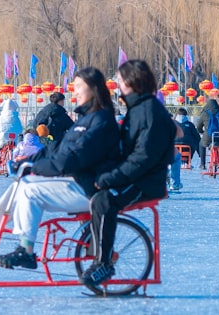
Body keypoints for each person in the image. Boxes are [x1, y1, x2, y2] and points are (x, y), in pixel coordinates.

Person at [0, 67, 121, 271]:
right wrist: (29, 160)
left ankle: (26, 250)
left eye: (79, 87)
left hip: (90, 188)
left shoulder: (100, 120)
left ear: (94, 89)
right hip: (79, 181)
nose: (75, 92)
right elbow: (57, 148)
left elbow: (72, 158)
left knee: (31, 190)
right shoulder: (86, 119)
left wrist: (37, 166)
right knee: (23, 182)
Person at [84, 59, 177, 289]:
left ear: (132, 82)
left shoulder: (149, 110)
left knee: (105, 200)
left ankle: (103, 263)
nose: (117, 83)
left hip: (146, 181)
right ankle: (96, 248)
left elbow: (142, 157)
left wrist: (111, 177)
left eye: (120, 79)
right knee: (95, 194)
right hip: (137, 175)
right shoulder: (138, 108)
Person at [195, 98, 219, 169]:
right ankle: (218, 162)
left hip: (208, 136)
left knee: (201, 145)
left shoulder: (204, 114)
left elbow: (198, 126)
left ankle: (202, 164)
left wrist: (201, 131)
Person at [0, 99, 24, 168]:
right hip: (14, 139)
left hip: (3, 138)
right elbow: (20, 129)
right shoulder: (16, 118)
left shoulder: (1, 118)